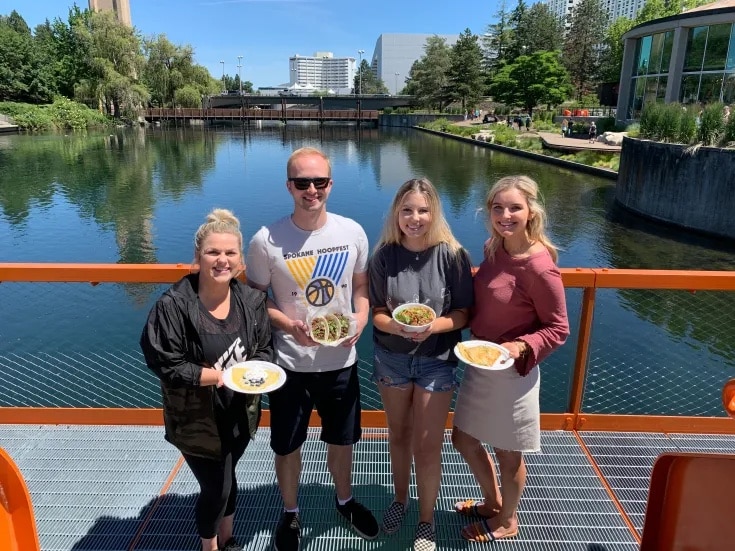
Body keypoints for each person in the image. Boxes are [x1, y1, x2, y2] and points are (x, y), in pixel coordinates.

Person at [246, 147, 378, 551]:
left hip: (341, 361)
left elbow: (360, 288)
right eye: (302, 182)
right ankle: (289, 512)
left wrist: (360, 318)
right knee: (287, 445)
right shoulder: (266, 240)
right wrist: (288, 324)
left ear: (330, 185)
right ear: (289, 186)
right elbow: (254, 300)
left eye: (319, 182)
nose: (311, 190)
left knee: (342, 441)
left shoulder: (352, 231)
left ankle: (344, 500)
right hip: (290, 364)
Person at [140, 208, 273, 551]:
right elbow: (164, 362)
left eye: (230, 253)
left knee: (227, 479)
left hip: (239, 413)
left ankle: (228, 540)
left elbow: (264, 350)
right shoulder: (174, 306)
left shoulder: (252, 301)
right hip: (196, 421)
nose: (222, 260)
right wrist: (217, 376)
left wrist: (252, 372)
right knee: (216, 488)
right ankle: (209, 545)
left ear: (240, 259)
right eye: (213, 252)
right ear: (197, 257)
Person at [451, 175, 569, 542]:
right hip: (480, 363)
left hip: (513, 373)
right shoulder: (492, 248)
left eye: (514, 207)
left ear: (531, 210)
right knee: (463, 439)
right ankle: (491, 502)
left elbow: (558, 328)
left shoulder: (539, 267)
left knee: (507, 452)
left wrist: (519, 346)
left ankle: (506, 520)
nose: (505, 215)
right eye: (497, 208)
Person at [369, 178, 474, 551]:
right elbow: (378, 313)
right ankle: (400, 499)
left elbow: (463, 313)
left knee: (428, 446)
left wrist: (434, 327)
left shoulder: (452, 255)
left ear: (434, 214)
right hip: (392, 359)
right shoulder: (383, 255)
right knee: (398, 435)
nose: (415, 218)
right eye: (408, 210)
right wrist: (397, 325)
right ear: (397, 213)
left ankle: (426, 520)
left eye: (423, 210)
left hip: (436, 361)